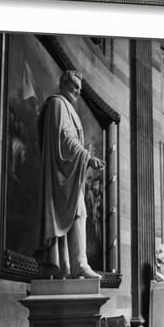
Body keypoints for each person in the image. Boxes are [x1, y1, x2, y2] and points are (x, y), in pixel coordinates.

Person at [35, 70, 105, 279]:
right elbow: (65, 139)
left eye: (79, 89)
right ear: (63, 84)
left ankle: (77, 264)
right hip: (60, 176)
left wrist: (83, 158)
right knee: (78, 212)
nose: (77, 91)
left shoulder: (68, 109)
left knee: (80, 212)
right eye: (74, 86)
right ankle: (76, 264)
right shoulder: (57, 104)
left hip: (69, 175)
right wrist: (87, 157)